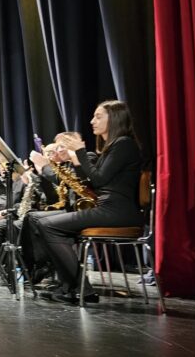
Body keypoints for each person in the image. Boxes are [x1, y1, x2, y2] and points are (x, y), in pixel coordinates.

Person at [35, 100, 142, 304]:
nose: (92, 121)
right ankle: (70, 287)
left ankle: (81, 289)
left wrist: (80, 151)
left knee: (47, 225)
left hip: (117, 210)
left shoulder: (124, 144)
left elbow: (99, 179)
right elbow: (90, 182)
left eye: (98, 116)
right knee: (45, 223)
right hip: (107, 207)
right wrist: (75, 158)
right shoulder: (112, 147)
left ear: (116, 119)